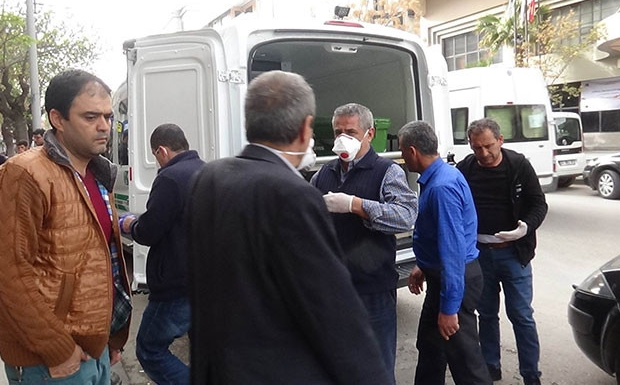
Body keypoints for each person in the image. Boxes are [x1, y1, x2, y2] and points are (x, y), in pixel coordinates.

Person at [187, 70, 391, 385]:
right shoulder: (293, 194)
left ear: (248, 123)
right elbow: (333, 314)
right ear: (306, 128)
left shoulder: (208, 177)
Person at [0, 69, 132, 384]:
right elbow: (10, 271)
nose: (104, 126)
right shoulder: (25, 174)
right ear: (57, 119)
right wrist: (57, 348)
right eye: (90, 117)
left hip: (96, 348)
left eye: (108, 116)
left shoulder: (98, 173)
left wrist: (112, 336)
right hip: (50, 361)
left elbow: (105, 262)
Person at [310, 102, 417, 383]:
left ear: (370, 134)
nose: (342, 138)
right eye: (338, 132)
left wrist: (356, 205)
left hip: (373, 290)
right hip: (334, 289)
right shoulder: (325, 173)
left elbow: (406, 216)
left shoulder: (386, 171)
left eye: (351, 132)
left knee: (376, 367)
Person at [398, 120, 492, 385]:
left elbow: (453, 251)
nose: (404, 159)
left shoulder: (441, 188)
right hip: (443, 276)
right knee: (430, 349)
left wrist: (450, 308)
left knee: (465, 361)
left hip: (456, 279)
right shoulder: (442, 176)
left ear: (413, 151)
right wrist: (423, 265)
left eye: (403, 152)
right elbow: (439, 237)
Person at [456, 118, 548, 385]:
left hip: (513, 253)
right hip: (479, 254)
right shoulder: (466, 169)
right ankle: (490, 367)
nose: (483, 153)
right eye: (477, 148)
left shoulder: (518, 165)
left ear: (500, 140)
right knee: (485, 314)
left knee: (521, 315)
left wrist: (525, 228)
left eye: (488, 146)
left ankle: (531, 374)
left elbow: (538, 204)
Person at [120, 123, 205, 385]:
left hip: (175, 285)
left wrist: (130, 225)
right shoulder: (207, 171)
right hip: (206, 281)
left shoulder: (169, 178)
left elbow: (149, 231)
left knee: (150, 350)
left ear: (161, 150)